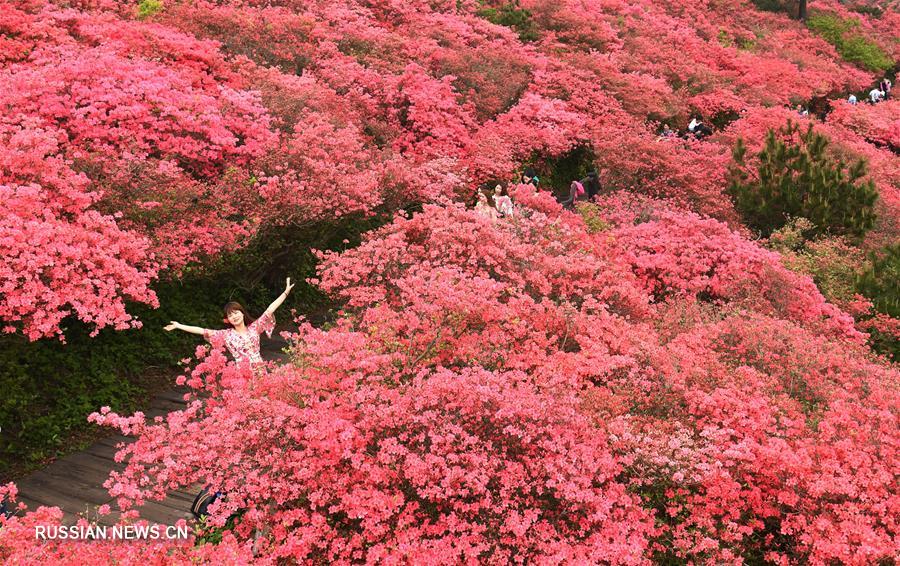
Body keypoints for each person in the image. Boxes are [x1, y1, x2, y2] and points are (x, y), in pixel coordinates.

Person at [164, 278, 294, 365]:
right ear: (228, 320)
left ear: (242, 313)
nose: (234, 316)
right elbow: (202, 330)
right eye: (230, 315)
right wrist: (179, 326)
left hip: (259, 368)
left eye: (236, 312)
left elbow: (269, 310)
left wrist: (285, 293)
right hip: (240, 373)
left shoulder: (255, 327)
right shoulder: (226, 334)